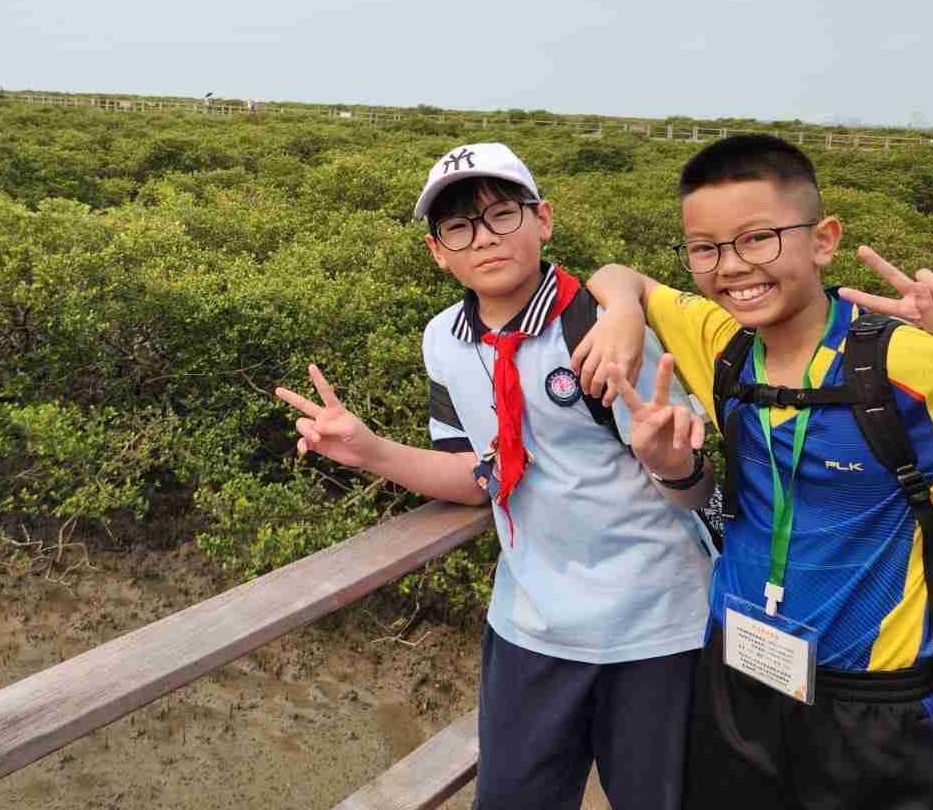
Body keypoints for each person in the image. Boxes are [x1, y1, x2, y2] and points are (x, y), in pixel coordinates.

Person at [586, 134, 933, 810]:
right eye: (705, 248)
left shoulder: (911, 369)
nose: (732, 267)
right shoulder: (724, 342)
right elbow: (617, 274)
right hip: (737, 678)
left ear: (823, 240)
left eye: (758, 239)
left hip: (873, 706)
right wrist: (625, 312)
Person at [276, 143, 716, 810]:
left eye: (502, 214)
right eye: (459, 227)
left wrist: (671, 462)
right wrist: (369, 450)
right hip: (529, 626)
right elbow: (478, 474)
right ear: (437, 252)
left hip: (654, 626)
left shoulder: (601, 326)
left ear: (543, 219)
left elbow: (697, 490)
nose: (483, 238)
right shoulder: (443, 340)